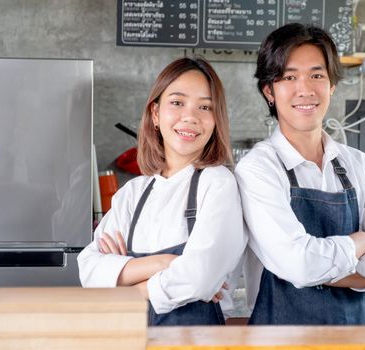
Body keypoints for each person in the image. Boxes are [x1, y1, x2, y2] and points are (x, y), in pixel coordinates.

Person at [235, 23, 365, 325]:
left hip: (355, 340)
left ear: (331, 86)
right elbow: (298, 264)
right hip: (279, 342)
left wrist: (315, 267)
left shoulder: (360, 166)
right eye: (290, 77)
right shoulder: (258, 169)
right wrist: (361, 242)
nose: (305, 89)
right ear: (269, 91)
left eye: (317, 75)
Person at [78, 58, 247, 326]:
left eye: (205, 107)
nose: (190, 116)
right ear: (155, 114)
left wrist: (127, 286)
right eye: (177, 103)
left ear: (216, 120)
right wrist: (165, 263)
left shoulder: (217, 183)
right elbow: (89, 270)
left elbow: (198, 278)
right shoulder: (133, 193)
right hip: (127, 339)